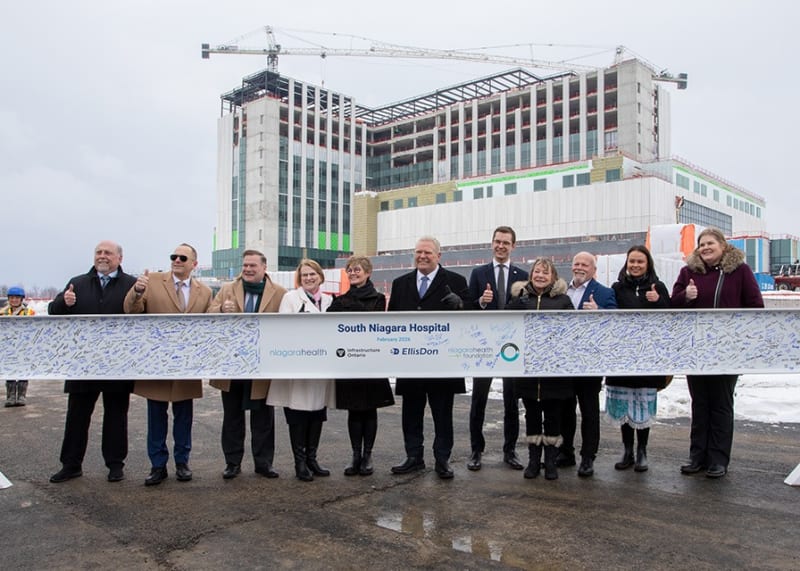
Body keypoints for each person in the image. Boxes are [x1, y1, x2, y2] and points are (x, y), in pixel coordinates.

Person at [670, 227, 764, 479]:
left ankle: (718, 459)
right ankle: (697, 457)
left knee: (721, 405)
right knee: (700, 403)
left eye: (710, 243)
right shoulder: (688, 272)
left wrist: (740, 337)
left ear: (723, 245)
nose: (705, 248)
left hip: (726, 351)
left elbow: (755, 306)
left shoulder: (740, 271)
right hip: (697, 350)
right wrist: (686, 296)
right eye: (702, 244)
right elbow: (672, 304)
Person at [48, 241, 137, 483]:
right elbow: (53, 311)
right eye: (98, 252)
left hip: (117, 364)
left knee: (116, 417)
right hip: (82, 364)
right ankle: (71, 465)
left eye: (108, 253)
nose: (102, 256)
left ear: (119, 258)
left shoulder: (131, 285)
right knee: (76, 417)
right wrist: (64, 303)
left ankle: (115, 465)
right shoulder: (77, 283)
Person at [124, 243, 213, 486]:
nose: (177, 260)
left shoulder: (204, 291)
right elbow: (131, 310)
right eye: (174, 256)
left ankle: (182, 462)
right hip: (157, 363)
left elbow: (210, 325)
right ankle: (157, 465)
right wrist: (137, 291)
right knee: (156, 418)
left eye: (182, 258)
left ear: (194, 264)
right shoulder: (152, 282)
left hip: (186, 365)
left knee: (184, 418)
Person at [388, 236, 470, 479]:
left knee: (442, 414)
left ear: (438, 256)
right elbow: (391, 321)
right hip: (411, 361)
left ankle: (442, 459)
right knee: (411, 413)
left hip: (443, 363)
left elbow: (471, 318)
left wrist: (461, 305)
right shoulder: (400, 283)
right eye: (418, 252)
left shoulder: (456, 281)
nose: (422, 256)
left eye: (427, 252)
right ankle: (413, 457)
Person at [207, 250, 287, 480]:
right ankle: (232, 463)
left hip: (263, 365)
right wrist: (221, 310)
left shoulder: (280, 293)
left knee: (263, 419)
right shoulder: (227, 290)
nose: (248, 269)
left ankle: (264, 464)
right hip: (232, 365)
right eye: (245, 265)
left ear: (264, 267)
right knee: (232, 418)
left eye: (253, 265)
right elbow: (208, 315)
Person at [506, 259, 575, 480]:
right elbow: (506, 326)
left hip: (554, 373)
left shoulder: (563, 301)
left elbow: (572, 331)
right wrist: (514, 306)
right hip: (527, 373)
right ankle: (534, 460)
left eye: (546, 273)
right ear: (531, 275)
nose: (540, 276)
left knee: (553, 418)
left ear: (553, 277)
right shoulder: (519, 299)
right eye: (537, 272)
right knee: (532, 418)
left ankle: (551, 461)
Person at [267, 259, 335, 482]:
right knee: (297, 413)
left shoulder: (329, 300)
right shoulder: (290, 298)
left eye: (312, 274)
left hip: (321, 366)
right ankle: (300, 462)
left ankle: (312, 459)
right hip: (298, 365)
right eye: (304, 275)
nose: (308, 278)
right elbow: (285, 330)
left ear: (320, 276)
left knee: (317, 412)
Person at [466, 226, 528, 471]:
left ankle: (510, 450)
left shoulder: (522, 275)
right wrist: (482, 302)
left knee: (511, 401)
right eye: (497, 241)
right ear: (492, 243)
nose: (501, 246)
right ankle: (476, 450)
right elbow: (469, 307)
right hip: (485, 345)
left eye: (506, 242)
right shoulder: (478, 273)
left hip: (511, 346)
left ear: (513, 246)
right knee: (479, 400)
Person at [327, 256, 395, 476]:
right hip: (348, 361)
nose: (353, 273)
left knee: (369, 409)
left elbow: (372, 323)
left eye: (357, 270)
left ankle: (368, 455)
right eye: (350, 270)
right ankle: (355, 454)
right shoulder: (340, 300)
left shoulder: (378, 298)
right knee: (354, 410)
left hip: (371, 360)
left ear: (367, 273)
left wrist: (346, 309)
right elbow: (330, 324)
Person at [605, 246, 671, 473]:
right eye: (632, 261)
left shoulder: (658, 287)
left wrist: (658, 301)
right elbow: (609, 315)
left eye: (640, 262)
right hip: (622, 356)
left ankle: (642, 451)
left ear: (647, 264)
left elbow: (670, 318)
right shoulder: (617, 287)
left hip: (647, 357)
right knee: (625, 406)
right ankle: (627, 451)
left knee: (641, 405)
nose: (635, 265)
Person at [557, 251, 617, 477]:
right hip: (564, 362)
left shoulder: (604, 293)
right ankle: (566, 452)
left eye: (585, 264)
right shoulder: (561, 290)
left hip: (590, 362)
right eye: (577, 264)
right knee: (566, 410)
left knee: (589, 411)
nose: (580, 267)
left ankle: (588, 457)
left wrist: (599, 312)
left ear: (593, 269)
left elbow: (617, 321)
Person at [3, 286, 36, 407]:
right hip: (8, 347)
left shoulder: (29, 313)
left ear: (21, 299)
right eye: (12, 298)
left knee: (23, 370)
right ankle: (11, 396)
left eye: (17, 298)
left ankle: (21, 396)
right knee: (9, 370)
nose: (14, 300)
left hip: (24, 347)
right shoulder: (2, 313)